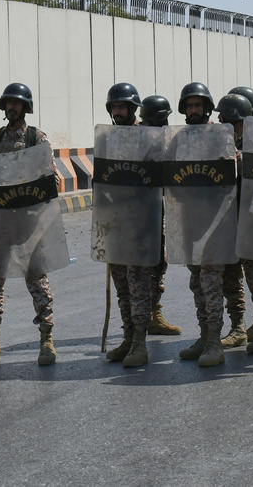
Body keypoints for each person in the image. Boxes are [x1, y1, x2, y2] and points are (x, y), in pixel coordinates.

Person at [0, 83, 59, 366]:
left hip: (27, 226)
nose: (11, 107)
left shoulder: (36, 139)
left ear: (25, 107)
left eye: (16, 103)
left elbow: (51, 180)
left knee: (37, 283)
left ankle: (46, 339)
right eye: (8, 103)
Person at [103, 84, 168, 368]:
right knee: (122, 286)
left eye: (122, 107)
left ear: (133, 110)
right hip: (117, 224)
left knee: (139, 285)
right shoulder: (107, 139)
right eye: (114, 108)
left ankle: (140, 343)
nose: (118, 112)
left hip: (143, 223)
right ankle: (128, 337)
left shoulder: (149, 137)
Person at [176, 82, 228, 366]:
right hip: (190, 221)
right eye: (190, 106)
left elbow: (231, 171)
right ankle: (204, 334)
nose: (194, 110)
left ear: (207, 108)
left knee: (211, 283)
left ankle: (215, 342)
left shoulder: (220, 136)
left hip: (215, 221)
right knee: (197, 282)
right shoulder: (179, 138)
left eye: (199, 105)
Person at [135, 92, 182, 337]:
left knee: (158, 262)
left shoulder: (166, 140)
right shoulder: (133, 138)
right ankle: (137, 319)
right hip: (136, 212)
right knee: (136, 269)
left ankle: (154, 313)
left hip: (158, 208)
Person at [216, 93, 253, 351]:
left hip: (251, 220)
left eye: (231, 122)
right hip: (226, 218)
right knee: (231, 276)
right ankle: (238, 326)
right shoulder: (219, 141)